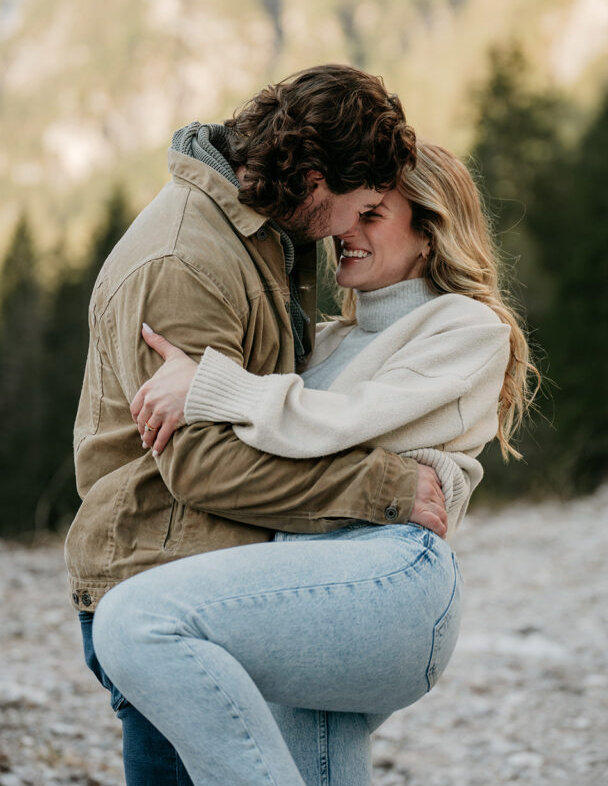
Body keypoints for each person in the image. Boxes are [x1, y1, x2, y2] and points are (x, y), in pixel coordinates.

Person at [92, 141, 537, 786]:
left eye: (372, 214)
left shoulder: (467, 328)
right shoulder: (327, 340)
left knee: (136, 621)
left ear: (430, 232)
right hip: (305, 576)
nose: (345, 230)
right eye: (348, 212)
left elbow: (341, 421)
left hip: (389, 574)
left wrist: (213, 386)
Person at [65, 64, 448, 786]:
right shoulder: (189, 259)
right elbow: (200, 463)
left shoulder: (262, 235)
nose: (350, 230)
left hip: (211, 582)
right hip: (159, 587)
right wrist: (381, 489)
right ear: (315, 181)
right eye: (360, 206)